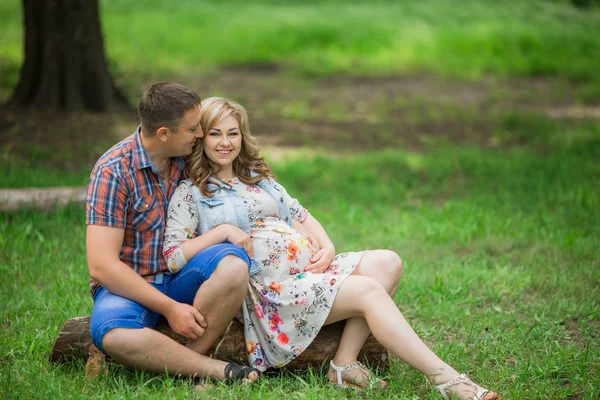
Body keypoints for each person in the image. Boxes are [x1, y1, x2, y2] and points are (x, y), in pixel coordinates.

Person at [163, 97, 501, 399]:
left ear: (243, 135)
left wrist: (326, 246)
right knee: (368, 290)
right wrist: (222, 231)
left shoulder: (257, 177)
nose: (225, 142)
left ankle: (343, 364)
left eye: (232, 133)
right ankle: (447, 380)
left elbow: (301, 215)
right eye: (215, 134)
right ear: (201, 138)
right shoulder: (191, 192)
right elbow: (174, 257)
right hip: (274, 294)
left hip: (306, 273)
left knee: (388, 262)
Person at [85, 83, 261, 384]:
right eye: (193, 129)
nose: (201, 135)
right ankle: (210, 370)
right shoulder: (113, 171)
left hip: (183, 274)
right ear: (164, 134)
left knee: (234, 265)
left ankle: (192, 356)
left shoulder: (190, 159)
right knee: (113, 335)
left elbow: (243, 176)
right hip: (130, 287)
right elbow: (101, 266)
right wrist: (170, 308)